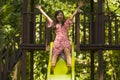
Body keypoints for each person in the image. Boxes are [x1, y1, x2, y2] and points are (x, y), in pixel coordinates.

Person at [36, 2, 84, 74]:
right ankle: (53, 67)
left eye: (61, 15)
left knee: (66, 54)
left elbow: (72, 15)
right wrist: (40, 9)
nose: (59, 16)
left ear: (63, 16)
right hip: (58, 42)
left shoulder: (65, 23)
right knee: (55, 55)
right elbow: (47, 16)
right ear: (56, 17)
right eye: (58, 15)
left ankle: (68, 68)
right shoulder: (55, 24)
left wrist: (78, 7)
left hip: (64, 41)